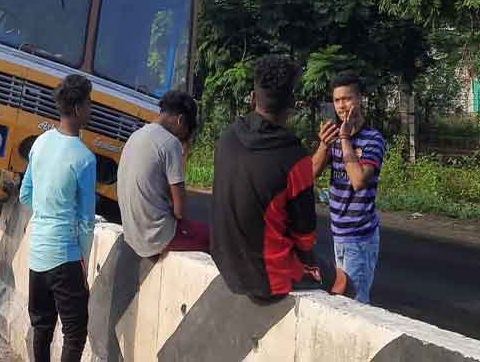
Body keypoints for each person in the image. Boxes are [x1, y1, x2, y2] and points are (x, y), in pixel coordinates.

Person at [210, 55, 353, 301]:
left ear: (254, 98)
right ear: (291, 106)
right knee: (345, 284)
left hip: (225, 260)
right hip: (265, 277)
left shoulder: (227, 138)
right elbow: (305, 238)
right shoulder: (292, 157)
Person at [19, 74, 96, 362]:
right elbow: (87, 221)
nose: (91, 109)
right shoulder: (85, 158)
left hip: (37, 252)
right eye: (89, 104)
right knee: (74, 333)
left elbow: (25, 194)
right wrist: (84, 266)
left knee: (42, 326)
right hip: (65, 255)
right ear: (77, 109)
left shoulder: (40, 143)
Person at [313, 71, 386, 304]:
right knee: (341, 297)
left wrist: (344, 139)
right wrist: (325, 145)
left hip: (360, 238)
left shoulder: (373, 139)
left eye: (347, 98)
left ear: (360, 99)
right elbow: (310, 174)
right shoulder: (333, 138)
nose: (342, 106)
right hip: (339, 235)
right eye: (337, 100)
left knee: (356, 303)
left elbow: (358, 180)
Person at [117, 90, 209, 258]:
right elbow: (180, 210)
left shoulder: (136, 135)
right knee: (212, 236)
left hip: (131, 235)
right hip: (155, 238)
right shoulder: (171, 143)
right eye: (187, 131)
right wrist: (184, 153)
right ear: (181, 120)